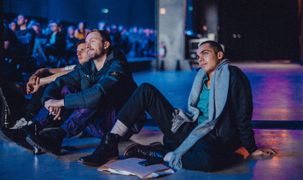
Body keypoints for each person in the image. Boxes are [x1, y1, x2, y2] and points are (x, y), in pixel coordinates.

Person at [79, 41, 276, 171]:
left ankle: (157, 153)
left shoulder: (233, 76)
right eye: (198, 55)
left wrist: (250, 148)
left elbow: (243, 115)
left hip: (215, 137)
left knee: (209, 162)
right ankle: (110, 142)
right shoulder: (201, 77)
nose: (200, 58)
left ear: (219, 55)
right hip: (191, 129)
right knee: (146, 90)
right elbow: (193, 113)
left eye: (205, 53)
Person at [25, 30, 141, 155]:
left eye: (92, 41)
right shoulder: (87, 67)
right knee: (65, 89)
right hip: (97, 124)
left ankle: (57, 136)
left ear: (106, 45)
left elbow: (97, 94)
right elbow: (60, 82)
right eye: (86, 42)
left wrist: (60, 102)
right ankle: (34, 127)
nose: (87, 45)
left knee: (94, 95)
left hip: (119, 127)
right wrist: (48, 100)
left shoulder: (118, 65)